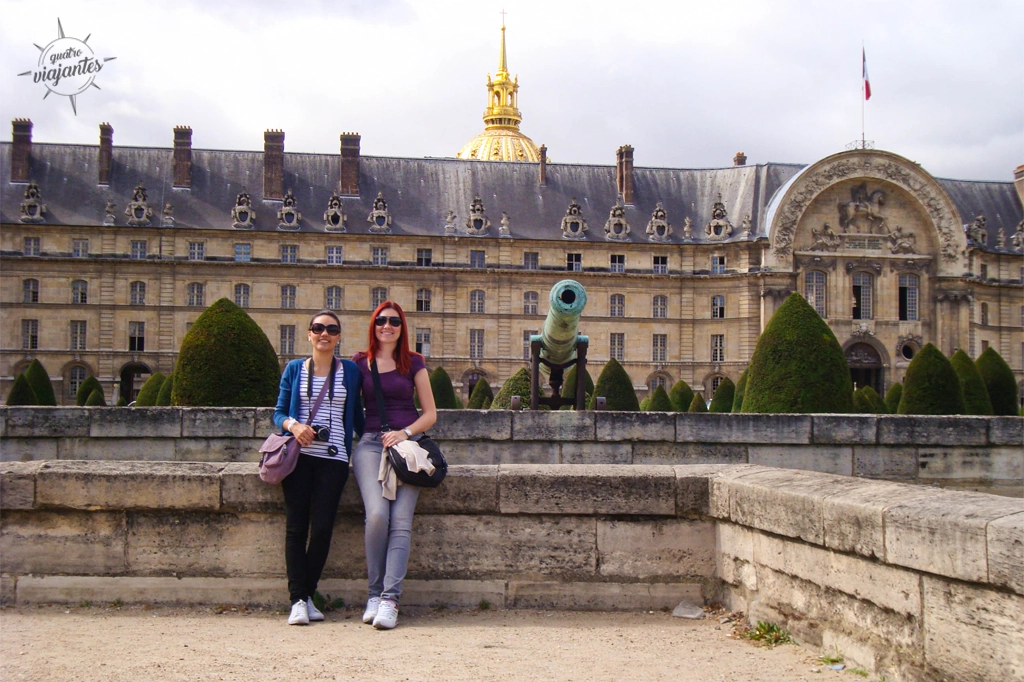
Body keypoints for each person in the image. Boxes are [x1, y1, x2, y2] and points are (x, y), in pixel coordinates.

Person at [273, 310, 364, 625]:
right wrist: (294, 426)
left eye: (331, 329)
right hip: (299, 456)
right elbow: (278, 412)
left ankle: (305, 594)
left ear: (339, 337)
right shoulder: (295, 369)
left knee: (323, 529)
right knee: (296, 528)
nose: (324, 333)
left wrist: (381, 440)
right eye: (317, 328)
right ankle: (298, 599)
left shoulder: (350, 371)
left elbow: (358, 416)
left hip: (335, 459)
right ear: (308, 334)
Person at [351, 301, 437, 630]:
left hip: (409, 447)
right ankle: (374, 594)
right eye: (381, 321)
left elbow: (430, 413)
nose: (387, 326)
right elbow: (349, 408)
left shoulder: (414, 362)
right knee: (377, 515)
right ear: (373, 325)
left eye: (394, 322)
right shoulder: (360, 362)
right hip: (371, 445)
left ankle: (390, 599)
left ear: (403, 327)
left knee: (401, 521)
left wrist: (405, 433)